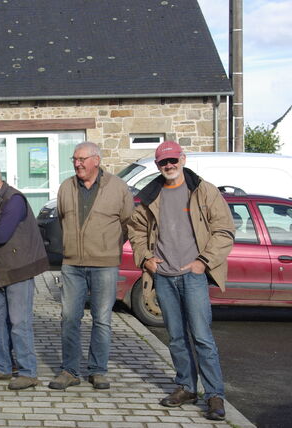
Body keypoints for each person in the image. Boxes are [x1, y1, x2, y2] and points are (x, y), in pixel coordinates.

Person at [127, 141, 235, 421]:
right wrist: (145, 257)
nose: (169, 166)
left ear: (183, 159)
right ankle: (187, 387)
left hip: (193, 276)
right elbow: (135, 228)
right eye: (163, 162)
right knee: (175, 338)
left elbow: (224, 230)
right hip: (164, 276)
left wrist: (203, 262)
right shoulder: (152, 194)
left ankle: (214, 395)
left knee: (202, 337)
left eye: (173, 160)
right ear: (157, 165)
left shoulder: (203, 190)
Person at [50, 142, 134, 391]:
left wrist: (110, 246)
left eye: (82, 159)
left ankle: (98, 370)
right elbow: (63, 219)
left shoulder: (118, 187)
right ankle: (70, 370)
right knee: (69, 318)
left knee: (102, 319)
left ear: (96, 160)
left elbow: (129, 222)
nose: (77, 163)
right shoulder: (66, 187)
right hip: (72, 264)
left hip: (105, 265)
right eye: (74, 159)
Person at [0, 161, 49, 390]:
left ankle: (28, 372)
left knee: (19, 323)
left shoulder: (14, 199)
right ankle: (2, 367)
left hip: (18, 271)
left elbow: (0, 235)